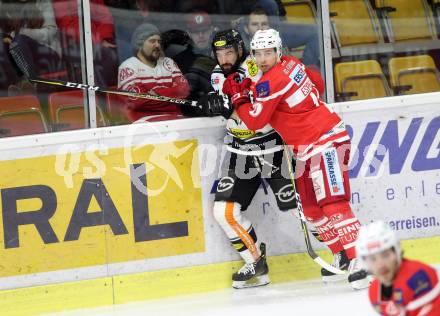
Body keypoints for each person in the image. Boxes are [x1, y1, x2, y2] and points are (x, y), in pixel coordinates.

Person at [221, 28, 369, 289]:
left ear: (278, 51)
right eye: (258, 53)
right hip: (305, 148)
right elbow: (317, 84)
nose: (263, 58)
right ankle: (343, 256)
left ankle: (361, 260)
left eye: (268, 52)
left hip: (324, 141)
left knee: (333, 204)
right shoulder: (292, 63)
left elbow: (255, 121)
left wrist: (239, 98)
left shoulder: (272, 80)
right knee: (312, 211)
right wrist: (252, 91)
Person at [198, 29, 299, 289]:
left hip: (271, 148)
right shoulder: (217, 75)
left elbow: (258, 109)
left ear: (241, 50)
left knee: (298, 205)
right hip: (240, 151)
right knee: (224, 211)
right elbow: (226, 105)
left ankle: (344, 250)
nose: (224, 57)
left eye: (229, 51)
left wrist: (231, 106)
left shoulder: (255, 66)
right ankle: (255, 261)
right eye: (219, 53)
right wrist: (207, 103)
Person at [356, 221, 440, 315]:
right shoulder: (374, 292)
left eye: (385, 255)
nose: (380, 264)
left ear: (397, 252)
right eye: (372, 259)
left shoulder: (419, 276)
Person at [117, 23, 190, 122]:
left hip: (176, 119)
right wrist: (172, 94)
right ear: (139, 44)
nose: (158, 45)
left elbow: (184, 91)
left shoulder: (168, 62)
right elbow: (137, 100)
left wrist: (155, 93)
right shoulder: (128, 67)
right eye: (152, 41)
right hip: (144, 123)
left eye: (159, 41)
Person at [52, 0, 119, 86]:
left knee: (121, 51)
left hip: (100, 40)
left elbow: (104, 17)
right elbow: (67, 25)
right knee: (102, 54)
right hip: (74, 44)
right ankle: (103, 96)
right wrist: (98, 40)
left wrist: (104, 38)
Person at [240, 7, 320, 67]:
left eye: (264, 24)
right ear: (246, 29)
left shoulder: (278, 46)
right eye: (255, 24)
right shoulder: (243, 53)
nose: (260, 28)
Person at [170, 12, 217, 100]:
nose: (201, 36)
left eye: (204, 30)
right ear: (189, 33)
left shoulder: (222, 56)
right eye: (195, 32)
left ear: (211, 30)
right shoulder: (178, 61)